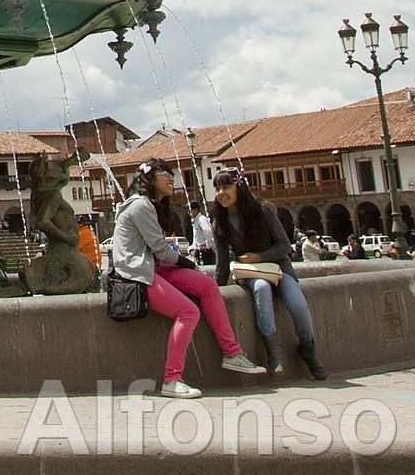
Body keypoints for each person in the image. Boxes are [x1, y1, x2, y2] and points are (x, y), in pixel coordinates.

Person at [108, 158, 266, 399]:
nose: (171, 179)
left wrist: (189, 268)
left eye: (171, 174)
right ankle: (172, 379)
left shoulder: (151, 205)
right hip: (135, 274)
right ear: (149, 178)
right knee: (188, 311)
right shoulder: (139, 205)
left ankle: (232, 354)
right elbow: (161, 250)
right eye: (164, 173)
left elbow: (159, 253)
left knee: (207, 285)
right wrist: (189, 263)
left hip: (153, 268)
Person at [209, 170, 325, 377]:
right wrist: (215, 291)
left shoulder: (262, 210)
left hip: (278, 267)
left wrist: (258, 257)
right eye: (217, 188)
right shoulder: (220, 221)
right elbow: (222, 263)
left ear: (239, 187)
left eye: (226, 187)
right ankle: (274, 354)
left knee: (298, 305)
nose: (221, 193)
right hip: (251, 273)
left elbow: (285, 245)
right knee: (261, 288)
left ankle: (308, 350)